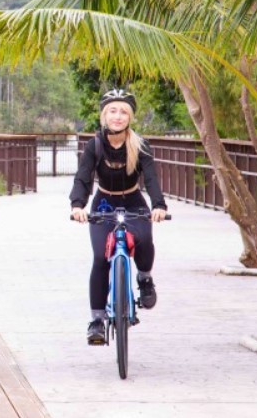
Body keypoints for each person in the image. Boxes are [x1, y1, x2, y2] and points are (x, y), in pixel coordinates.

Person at [70, 88, 168, 345]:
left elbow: (152, 178)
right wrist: (78, 205)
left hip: (134, 200)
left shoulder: (140, 145)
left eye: (123, 111)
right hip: (104, 203)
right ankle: (97, 321)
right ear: (104, 115)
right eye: (112, 110)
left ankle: (145, 278)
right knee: (101, 258)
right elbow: (83, 176)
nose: (118, 116)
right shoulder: (95, 145)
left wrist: (158, 205)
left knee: (145, 239)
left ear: (130, 117)